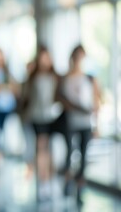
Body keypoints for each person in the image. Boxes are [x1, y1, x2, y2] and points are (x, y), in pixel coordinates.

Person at [57, 45, 101, 204]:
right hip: (71, 121)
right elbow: (60, 99)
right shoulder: (65, 78)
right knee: (69, 153)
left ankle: (79, 188)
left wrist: (97, 124)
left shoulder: (89, 78)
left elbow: (96, 101)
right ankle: (68, 182)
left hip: (85, 122)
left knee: (83, 156)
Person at [19, 45, 63, 201]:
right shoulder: (33, 78)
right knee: (41, 147)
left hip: (51, 116)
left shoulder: (55, 77)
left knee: (47, 149)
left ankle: (48, 179)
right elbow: (26, 97)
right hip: (37, 117)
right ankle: (43, 181)